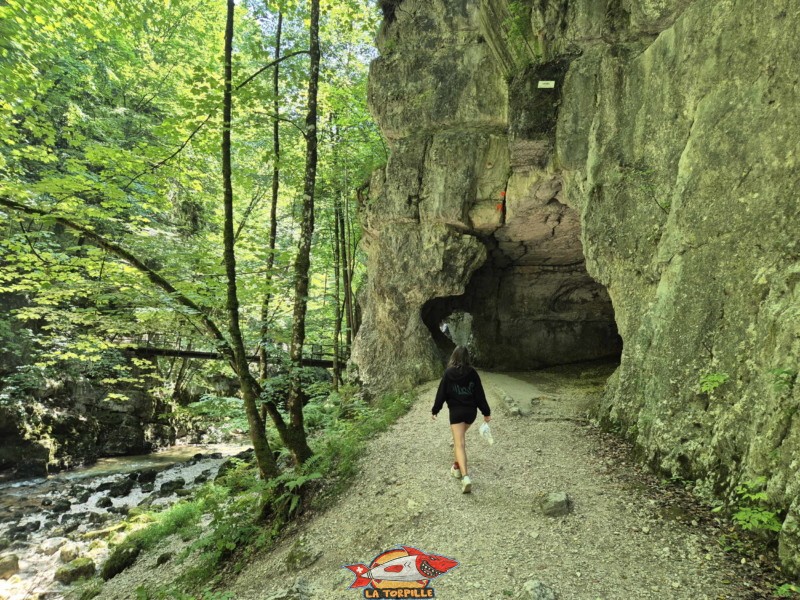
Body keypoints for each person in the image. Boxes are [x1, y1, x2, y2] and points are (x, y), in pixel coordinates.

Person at [431, 346, 491, 493]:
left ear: (454, 356)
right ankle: (456, 467)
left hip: (456, 413)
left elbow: (442, 393)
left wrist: (435, 410)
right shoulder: (473, 373)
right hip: (471, 413)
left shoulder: (448, 373)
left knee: (459, 444)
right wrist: (486, 412)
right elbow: (479, 395)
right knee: (459, 440)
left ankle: (465, 477)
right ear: (467, 358)